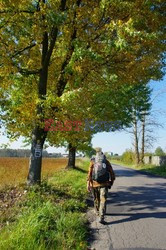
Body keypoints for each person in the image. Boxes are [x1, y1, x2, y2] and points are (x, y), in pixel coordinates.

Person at [87, 147, 115, 223]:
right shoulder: (106, 162)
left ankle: (97, 212)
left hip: (94, 184)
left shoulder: (92, 161)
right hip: (104, 184)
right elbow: (112, 173)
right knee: (103, 200)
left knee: (96, 199)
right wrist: (111, 182)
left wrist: (88, 184)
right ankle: (101, 217)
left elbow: (89, 174)